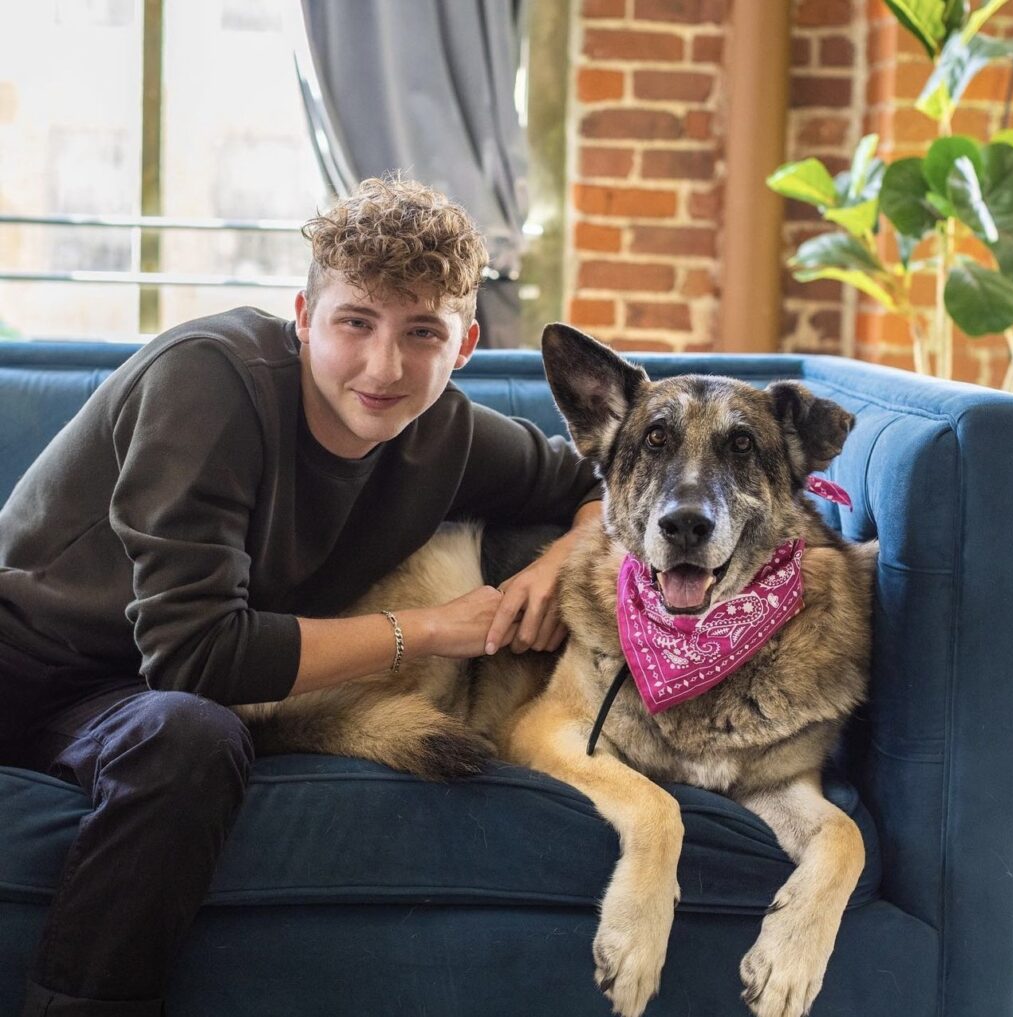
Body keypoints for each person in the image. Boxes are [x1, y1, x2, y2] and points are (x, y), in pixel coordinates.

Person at [0, 177, 602, 1017]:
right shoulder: (210, 381)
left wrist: (560, 561)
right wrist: (427, 630)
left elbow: (600, 484)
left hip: (125, 700)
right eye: (356, 321)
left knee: (192, 740)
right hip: (23, 652)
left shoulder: (448, 433)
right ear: (303, 316)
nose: (384, 366)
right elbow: (199, 655)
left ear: (464, 344)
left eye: (421, 332)